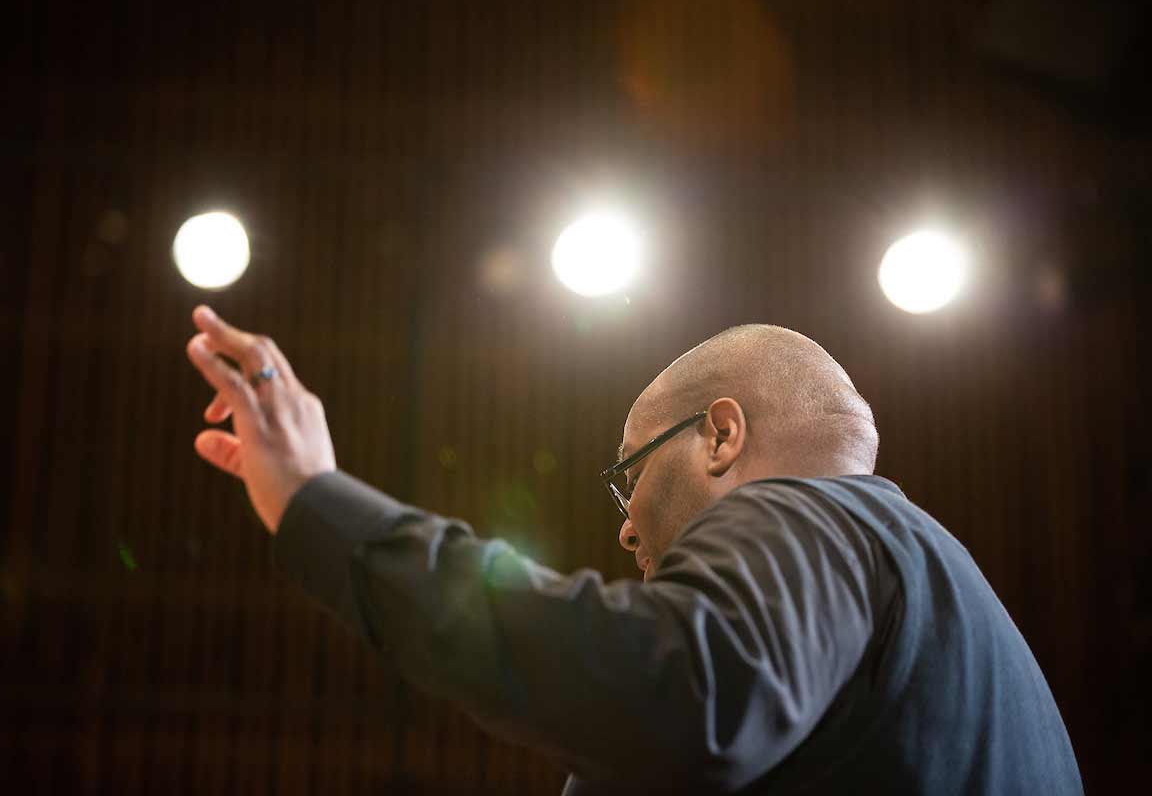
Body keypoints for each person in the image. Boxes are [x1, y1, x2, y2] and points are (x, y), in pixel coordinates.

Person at [185, 304, 1083, 795]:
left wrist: (320, 504)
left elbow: (687, 695)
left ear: (720, 437)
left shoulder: (808, 516)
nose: (624, 525)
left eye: (630, 477)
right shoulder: (990, 655)